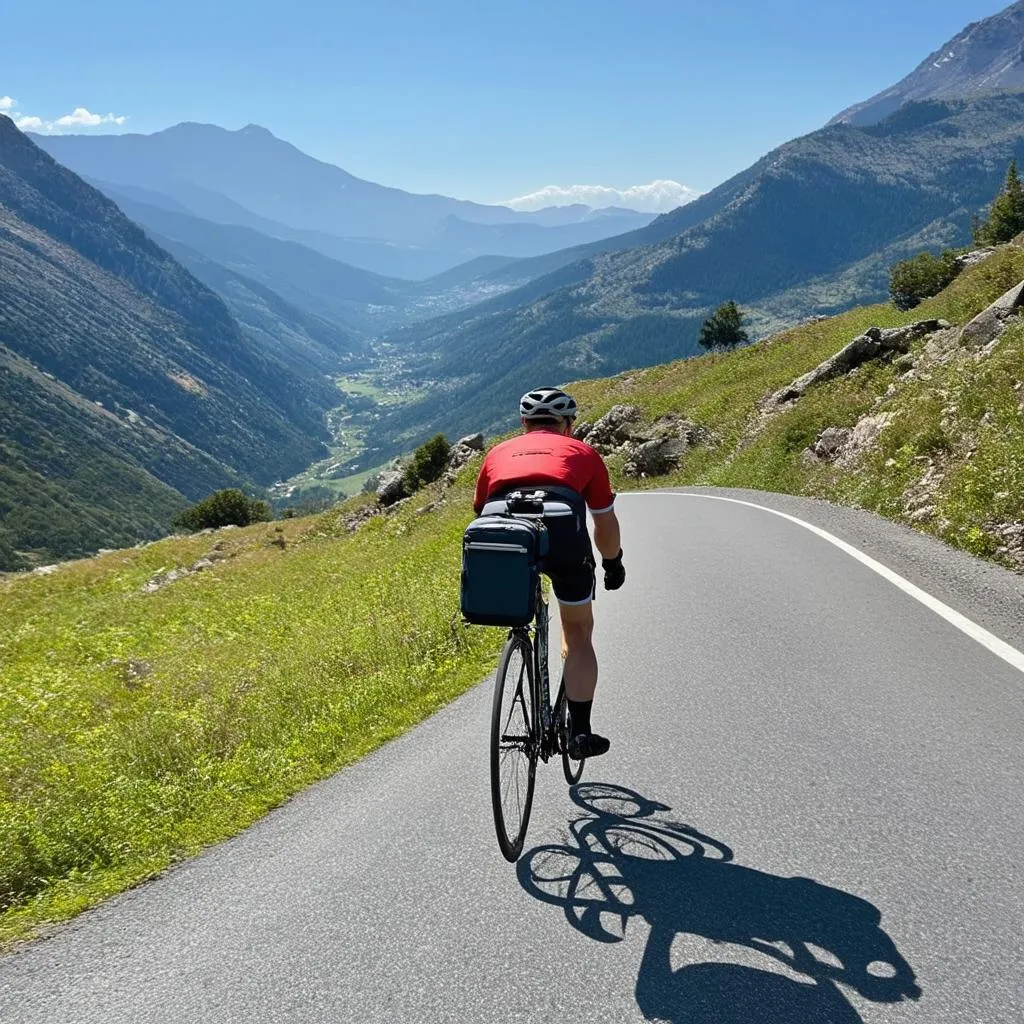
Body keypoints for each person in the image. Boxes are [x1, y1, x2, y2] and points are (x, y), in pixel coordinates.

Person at [473, 386, 625, 759]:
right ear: (568, 425)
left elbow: (480, 512)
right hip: (563, 535)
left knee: (520, 608)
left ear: (524, 423)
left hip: (506, 533)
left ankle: (519, 640)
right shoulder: (583, 452)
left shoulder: (497, 453)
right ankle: (580, 732)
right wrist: (613, 563)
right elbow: (604, 523)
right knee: (578, 632)